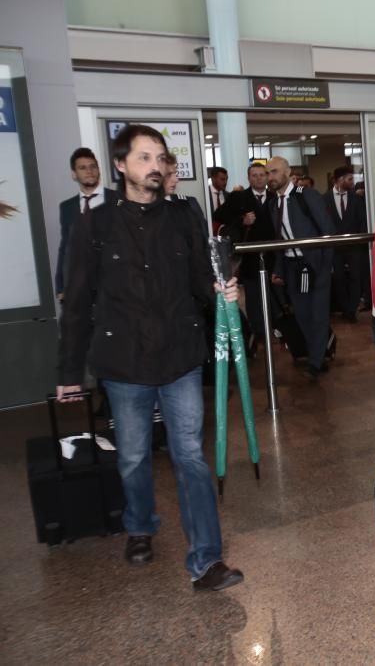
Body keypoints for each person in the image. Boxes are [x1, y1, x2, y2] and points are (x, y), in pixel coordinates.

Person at [56, 124, 244, 591]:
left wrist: (221, 288)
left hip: (179, 356)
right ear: (120, 166)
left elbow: (202, 277)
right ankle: (140, 524)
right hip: (124, 364)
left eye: (160, 157)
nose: (155, 166)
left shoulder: (184, 216)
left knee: (190, 459)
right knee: (135, 457)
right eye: (144, 157)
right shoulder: (94, 226)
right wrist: (68, 372)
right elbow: (78, 303)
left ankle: (207, 559)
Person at [267, 156, 335, 376]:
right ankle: (318, 352)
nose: (271, 177)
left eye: (274, 172)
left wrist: (325, 264)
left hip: (315, 265)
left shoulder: (307, 196)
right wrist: (278, 268)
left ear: (287, 173)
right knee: (303, 314)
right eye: (268, 173)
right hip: (293, 267)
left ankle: (316, 361)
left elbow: (327, 231)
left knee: (318, 313)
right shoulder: (273, 203)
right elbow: (279, 240)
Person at [214, 163, 276, 349]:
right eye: (254, 175)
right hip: (249, 255)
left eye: (261, 175)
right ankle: (258, 332)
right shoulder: (239, 197)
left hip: (274, 254)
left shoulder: (275, 197)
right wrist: (242, 221)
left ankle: (274, 328)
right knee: (253, 295)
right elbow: (219, 217)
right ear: (249, 178)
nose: (258, 178)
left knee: (274, 294)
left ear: (266, 177)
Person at [55, 148, 117, 301]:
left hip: (115, 285)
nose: (89, 171)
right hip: (80, 286)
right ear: (74, 174)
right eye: (82, 168)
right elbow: (65, 247)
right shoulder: (67, 207)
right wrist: (61, 286)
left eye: (93, 166)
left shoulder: (118, 200)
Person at [325, 166, 368, 322]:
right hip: (335, 248)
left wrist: (363, 245)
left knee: (356, 278)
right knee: (339, 279)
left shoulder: (357, 199)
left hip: (354, 247)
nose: (352, 182)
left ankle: (351, 310)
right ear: (339, 180)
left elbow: (362, 221)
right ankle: (344, 308)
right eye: (349, 179)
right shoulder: (325, 199)